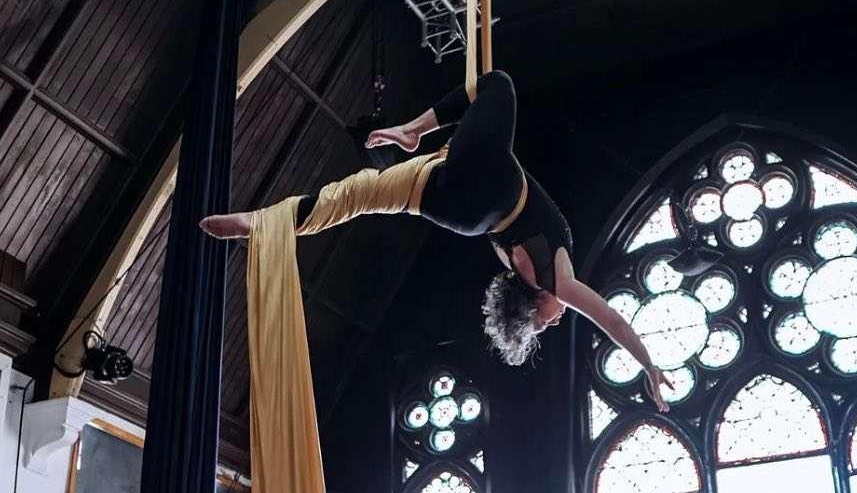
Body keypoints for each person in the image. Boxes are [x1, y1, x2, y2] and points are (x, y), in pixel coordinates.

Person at [201, 70, 672, 409]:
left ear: (532, 301)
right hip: (443, 201)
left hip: (486, 185)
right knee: (351, 198)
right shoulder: (522, 269)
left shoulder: (557, 282)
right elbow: (605, 318)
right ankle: (261, 221)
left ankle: (411, 130)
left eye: (542, 324)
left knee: (498, 84)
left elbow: (612, 319)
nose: (553, 322)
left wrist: (647, 363)